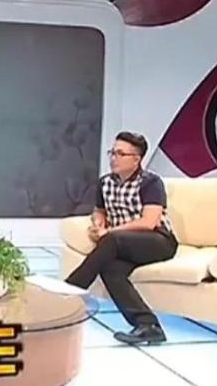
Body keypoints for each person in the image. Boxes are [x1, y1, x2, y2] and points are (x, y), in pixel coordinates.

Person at [65, 132, 178, 345]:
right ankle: (148, 325)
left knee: (111, 241)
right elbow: (99, 211)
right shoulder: (105, 183)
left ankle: (69, 291)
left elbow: (149, 222)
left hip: (157, 241)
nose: (113, 158)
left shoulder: (151, 182)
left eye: (120, 154)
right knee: (110, 269)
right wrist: (99, 224)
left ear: (136, 159)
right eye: (112, 152)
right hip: (124, 245)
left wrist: (110, 232)